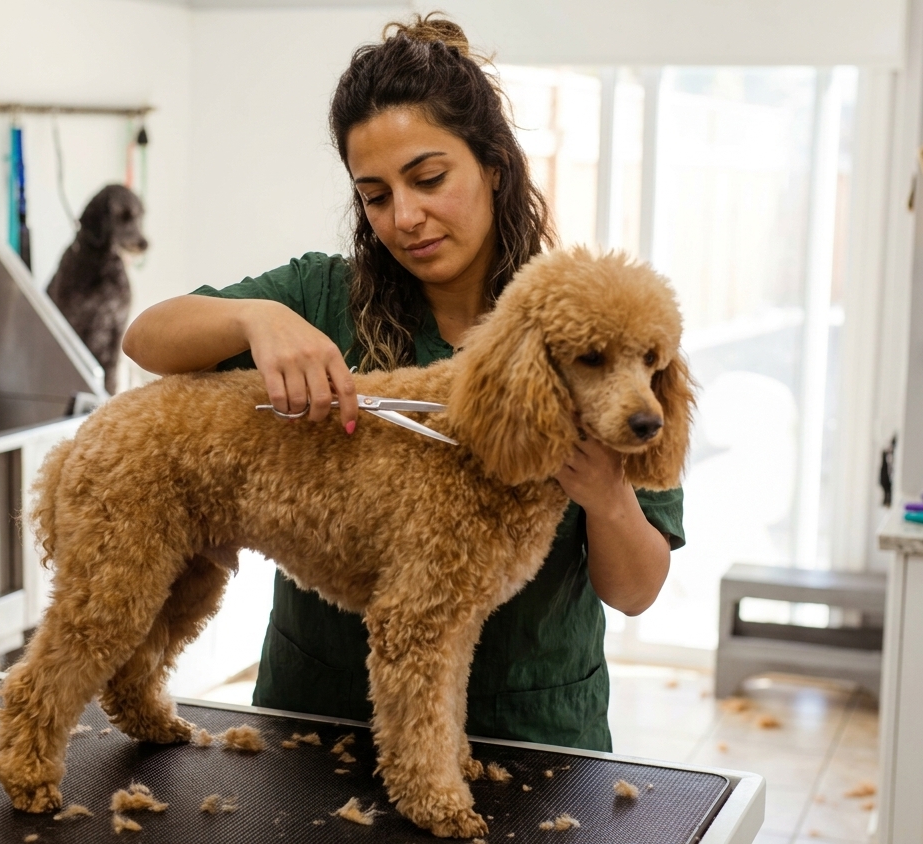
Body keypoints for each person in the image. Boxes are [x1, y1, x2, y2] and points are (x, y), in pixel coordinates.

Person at [122, 14, 683, 752]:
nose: (405, 217)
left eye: (428, 179)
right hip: (316, 717)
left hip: (531, 729)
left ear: (493, 164)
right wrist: (254, 320)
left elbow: (636, 592)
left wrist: (607, 496)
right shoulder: (324, 295)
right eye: (375, 194)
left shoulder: (591, 319)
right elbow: (146, 337)